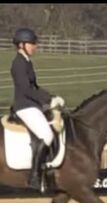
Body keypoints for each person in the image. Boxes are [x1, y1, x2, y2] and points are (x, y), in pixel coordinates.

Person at [10, 27, 65, 191]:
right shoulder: (18, 63)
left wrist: (50, 98)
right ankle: (34, 176)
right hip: (24, 106)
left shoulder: (26, 61)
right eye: (32, 43)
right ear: (22, 45)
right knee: (47, 135)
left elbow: (35, 86)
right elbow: (26, 89)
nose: (35, 46)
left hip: (32, 105)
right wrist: (48, 99)